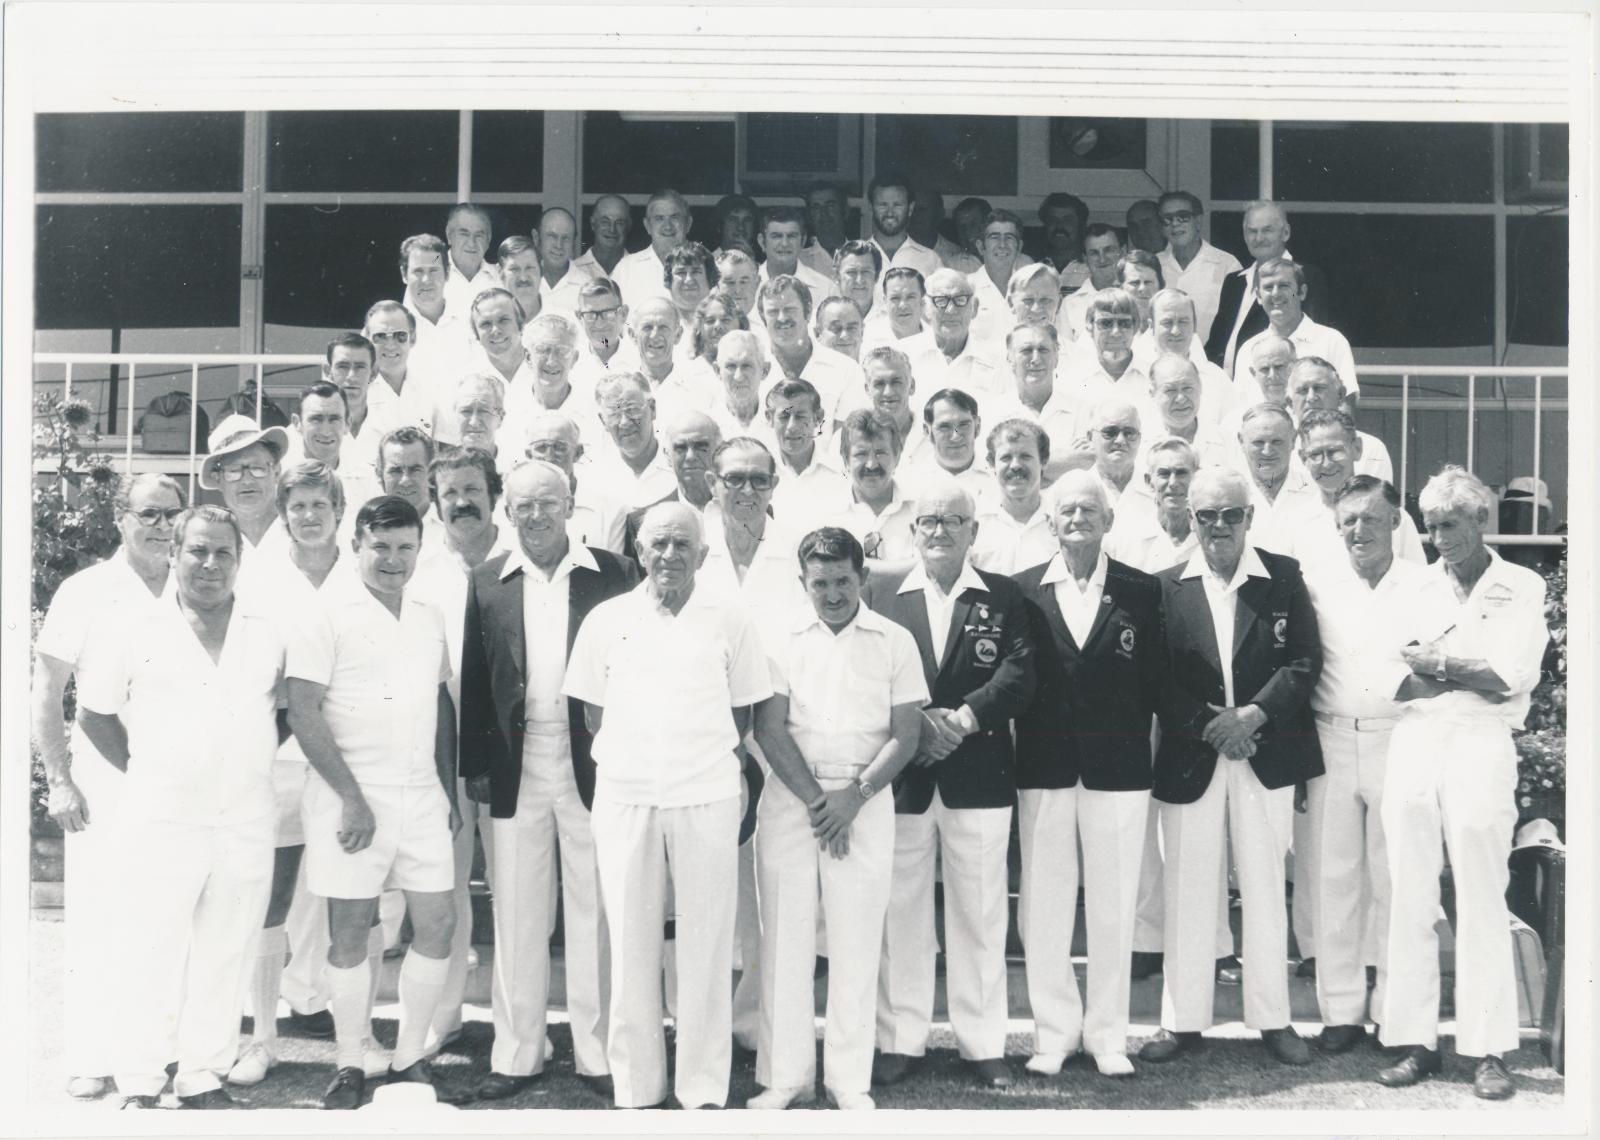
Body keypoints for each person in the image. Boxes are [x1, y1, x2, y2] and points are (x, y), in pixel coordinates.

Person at [563, 501, 774, 1109]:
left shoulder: (729, 618)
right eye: (657, 543)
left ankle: (702, 1088)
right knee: (631, 945)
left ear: (703, 555)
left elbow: (742, 712)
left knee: (707, 946)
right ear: (638, 551)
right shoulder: (606, 619)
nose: (669, 556)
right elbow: (592, 711)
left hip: (706, 795)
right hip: (626, 797)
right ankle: (637, 1086)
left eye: (683, 544)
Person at [78, 505, 287, 1110]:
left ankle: (201, 1074)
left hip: (245, 818)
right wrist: (150, 770)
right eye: (197, 550)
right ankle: (141, 1081)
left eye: (223, 552)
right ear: (174, 553)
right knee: (151, 947)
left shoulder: (264, 630)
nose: (210, 564)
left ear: (239, 561)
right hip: (162, 818)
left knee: (228, 950)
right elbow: (94, 713)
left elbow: (280, 715)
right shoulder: (135, 628)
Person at [457, 459, 638, 1101]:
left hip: (593, 761)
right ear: (508, 511)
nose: (536, 516)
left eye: (548, 503)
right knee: (518, 909)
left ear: (571, 506)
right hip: (518, 761)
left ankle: (597, 1055)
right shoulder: (487, 581)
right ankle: (516, 1054)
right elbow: (476, 677)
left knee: (594, 910)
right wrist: (476, 765)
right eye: (523, 505)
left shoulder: (613, 574)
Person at [1138, 466, 1323, 1068]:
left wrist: (1255, 716)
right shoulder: (1163, 587)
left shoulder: (1284, 576)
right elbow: (1156, 679)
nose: (1219, 526)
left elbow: (1303, 661)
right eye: (1206, 515)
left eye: (1231, 514)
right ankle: (1182, 1020)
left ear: (1249, 517)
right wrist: (1210, 724)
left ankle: (1274, 1019)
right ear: (1188, 519)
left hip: (1264, 754)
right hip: (1195, 755)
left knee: (1266, 887)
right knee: (1189, 888)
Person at [285, 496, 465, 1109]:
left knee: (438, 922)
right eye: (380, 547)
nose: (393, 560)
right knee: (351, 932)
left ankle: (411, 1054)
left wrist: (446, 787)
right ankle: (349, 1062)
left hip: (421, 795)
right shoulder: (324, 613)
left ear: (420, 548)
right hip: (350, 796)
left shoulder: (429, 612)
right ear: (357, 543)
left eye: (405, 548)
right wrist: (352, 799)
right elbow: (302, 712)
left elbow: (440, 706)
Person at [1376, 466, 1550, 1100]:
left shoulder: (1520, 585)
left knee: (1482, 892)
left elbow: (1510, 674)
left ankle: (1489, 1049)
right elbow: (1390, 678)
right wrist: (1463, 671)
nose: (1439, 537)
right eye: (1430, 527)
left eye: (1450, 524)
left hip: (1482, 741)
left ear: (1482, 519)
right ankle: (1414, 1041)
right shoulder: (1412, 586)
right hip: (1416, 738)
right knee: (1410, 893)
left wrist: (1441, 663)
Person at [749, 528, 928, 1111]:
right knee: (787, 938)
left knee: (855, 942)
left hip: (866, 798)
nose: (831, 594)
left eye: (843, 581)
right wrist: (817, 802)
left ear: (863, 578)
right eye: (819, 583)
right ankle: (785, 1078)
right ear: (803, 582)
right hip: (792, 799)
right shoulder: (777, 636)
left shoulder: (894, 640)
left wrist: (855, 795)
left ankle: (849, 1080)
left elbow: (907, 734)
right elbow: (769, 729)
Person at [865, 479, 1035, 1091]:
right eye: (929, 521)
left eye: (952, 521)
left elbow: (1020, 674)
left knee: (981, 914)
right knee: (902, 912)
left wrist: (960, 720)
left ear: (973, 531)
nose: (939, 531)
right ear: (912, 532)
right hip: (903, 778)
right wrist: (916, 729)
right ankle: (901, 1040)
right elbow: (866, 672)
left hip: (979, 773)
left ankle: (984, 1043)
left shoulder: (1005, 595)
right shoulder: (882, 593)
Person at [31, 473, 184, 1100]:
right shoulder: (85, 590)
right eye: (148, 513)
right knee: (99, 914)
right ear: (120, 518)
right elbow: (47, 693)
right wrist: (60, 782)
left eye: (171, 514)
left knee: (171, 916)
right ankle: (92, 1053)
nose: (160, 526)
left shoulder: (196, 584)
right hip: (102, 776)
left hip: (178, 780)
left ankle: (161, 1052)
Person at [1012, 470, 1165, 1077]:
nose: (1078, 519)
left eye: (1089, 510)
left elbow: (1157, 682)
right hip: (1045, 770)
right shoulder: (1023, 592)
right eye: (1066, 511)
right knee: (1044, 907)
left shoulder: (1141, 590)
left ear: (1109, 519)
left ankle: (1107, 1036)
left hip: (1119, 771)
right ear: (1051, 524)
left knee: (1112, 906)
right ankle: (1053, 1035)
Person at [229, 463, 374, 1089]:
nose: (309, 515)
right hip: (281, 757)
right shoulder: (259, 576)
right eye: (298, 505)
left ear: (340, 510)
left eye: (321, 504)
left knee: (352, 902)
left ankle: (356, 1039)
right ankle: (261, 1038)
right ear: (284, 512)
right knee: (273, 898)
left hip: (353, 761)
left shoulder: (364, 570)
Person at [1289, 475, 1431, 1059]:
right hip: (1327, 741)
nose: (1359, 531)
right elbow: (1300, 669)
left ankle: (1394, 1014)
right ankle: (1341, 1012)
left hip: (1399, 739)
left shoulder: (1424, 587)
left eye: (1371, 518)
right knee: (1333, 882)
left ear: (1396, 523)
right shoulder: (1315, 587)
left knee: (1396, 881)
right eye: (1348, 520)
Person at [405, 449, 518, 1053]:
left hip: (509, 750)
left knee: (515, 889)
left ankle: (515, 1028)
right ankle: (439, 1020)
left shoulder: (521, 557)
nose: (462, 502)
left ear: (493, 492)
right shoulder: (420, 570)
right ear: (434, 500)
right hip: (440, 751)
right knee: (444, 888)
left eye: (472, 489)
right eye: (449, 493)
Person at [1203, 201, 1332, 377]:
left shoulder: (1306, 276)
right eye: (1252, 231)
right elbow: (1217, 344)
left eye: (1267, 230)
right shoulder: (1235, 283)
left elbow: (1312, 338)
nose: (1259, 238)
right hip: (1228, 391)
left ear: (1285, 232)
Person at [1289, 409, 1424, 570]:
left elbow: (1418, 583)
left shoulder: (1392, 517)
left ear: (1357, 449)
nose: (1326, 464)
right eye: (1315, 454)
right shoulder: (1294, 524)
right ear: (1303, 458)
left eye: (1335, 451)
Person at [201, 415, 292, 602]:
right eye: (234, 471)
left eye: (257, 468)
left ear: (276, 472)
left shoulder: (301, 532)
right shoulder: (208, 542)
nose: (248, 480)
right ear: (218, 479)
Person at [1238, 259, 1359, 396]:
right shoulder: (1248, 349)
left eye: (1284, 286)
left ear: (1302, 292)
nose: (1276, 293)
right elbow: (1241, 406)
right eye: (1268, 287)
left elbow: (1346, 403)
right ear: (1259, 296)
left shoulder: (1331, 341)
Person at [758, 274, 861, 427]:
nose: (782, 318)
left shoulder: (846, 370)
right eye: (773, 312)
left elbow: (847, 438)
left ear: (807, 313)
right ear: (763, 318)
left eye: (790, 309)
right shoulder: (751, 369)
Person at [619, 410, 722, 560]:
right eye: (680, 448)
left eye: (701, 446)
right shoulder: (641, 523)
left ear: (719, 451)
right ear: (667, 456)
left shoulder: (750, 510)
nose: (691, 456)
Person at [829, 408, 921, 575]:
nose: (871, 464)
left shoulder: (920, 511)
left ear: (897, 456)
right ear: (845, 459)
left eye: (880, 453)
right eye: (861, 454)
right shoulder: (826, 516)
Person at [522, 410, 627, 554]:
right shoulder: (515, 510)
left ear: (578, 453)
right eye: (541, 448)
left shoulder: (609, 512)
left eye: (559, 447)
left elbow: (613, 572)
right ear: (529, 455)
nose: (549, 457)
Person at [984, 323, 1078, 471]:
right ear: (1010, 359)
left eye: (1043, 350)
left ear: (1056, 357)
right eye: (1026, 350)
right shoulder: (992, 412)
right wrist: (1065, 461)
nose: (1035, 359)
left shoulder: (1081, 411)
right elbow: (991, 470)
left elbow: (1086, 464)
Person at [766, 378, 852, 536]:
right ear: (769, 418)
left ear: (818, 418)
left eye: (801, 416)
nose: (792, 427)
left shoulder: (841, 477)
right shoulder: (758, 475)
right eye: (784, 417)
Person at [969, 418, 1055, 575]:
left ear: (1044, 461)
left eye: (1025, 456)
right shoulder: (974, 523)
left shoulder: (1061, 522)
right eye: (1006, 457)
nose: (1015, 465)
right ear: (991, 463)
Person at [1154, 192, 1243, 340]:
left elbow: (1238, 319)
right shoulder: (1154, 265)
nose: (1175, 223)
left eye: (1183, 216)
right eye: (1167, 219)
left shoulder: (1227, 264)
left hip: (1211, 358)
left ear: (1198, 221)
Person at [1235, 402, 1319, 555]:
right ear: (1241, 441)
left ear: (1293, 440)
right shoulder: (1228, 493)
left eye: (1277, 442)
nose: (1267, 452)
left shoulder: (1317, 491)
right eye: (1258, 442)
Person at [911, 267, 1005, 402]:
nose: (951, 310)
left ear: (974, 308)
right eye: (941, 300)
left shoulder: (995, 362)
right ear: (926, 308)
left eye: (960, 300)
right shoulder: (906, 355)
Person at [587, 371, 678, 509]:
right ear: (603, 421)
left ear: (652, 408)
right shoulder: (595, 480)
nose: (624, 422)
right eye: (614, 414)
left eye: (633, 410)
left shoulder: (678, 467)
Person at [1286, 356, 1388, 478]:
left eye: (1319, 388)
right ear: (1290, 403)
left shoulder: (1371, 448)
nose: (1311, 397)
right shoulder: (1279, 448)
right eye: (1302, 390)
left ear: (1340, 395)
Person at [623, 297, 717, 426]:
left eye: (663, 327)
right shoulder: (620, 391)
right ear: (633, 335)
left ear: (678, 335)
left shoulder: (700, 395)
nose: (655, 335)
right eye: (647, 327)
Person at [900, 387, 990, 503]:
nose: (956, 436)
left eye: (963, 425)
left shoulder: (999, 480)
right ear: (927, 431)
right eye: (944, 427)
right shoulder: (906, 485)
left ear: (977, 427)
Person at [363, 300, 437, 437]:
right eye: (380, 336)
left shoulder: (431, 390)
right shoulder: (358, 391)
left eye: (400, 336)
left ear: (413, 338)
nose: (390, 345)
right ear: (368, 340)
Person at [611, 188, 691, 307]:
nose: (668, 226)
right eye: (659, 218)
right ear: (647, 225)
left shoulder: (706, 266)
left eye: (674, 217)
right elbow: (614, 319)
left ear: (688, 224)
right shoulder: (626, 269)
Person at [400, 233, 472, 359]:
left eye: (433, 270)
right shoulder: (390, 327)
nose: (426, 279)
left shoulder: (470, 319)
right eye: (418, 271)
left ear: (447, 273)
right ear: (404, 275)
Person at [521, 311, 596, 433]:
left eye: (562, 351)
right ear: (528, 357)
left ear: (574, 358)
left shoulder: (593, 414)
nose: (551, 361)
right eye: (543, 350)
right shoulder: (510, 413)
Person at [967, 210, 1030, 343]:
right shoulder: (965, 288)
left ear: (1019, 247)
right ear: (980, 247)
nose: (1002, 244)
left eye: (1009, 237)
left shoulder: (1030, 289)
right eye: (994, 237)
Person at [1059, 224, 1126, 347]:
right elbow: (1064, 351)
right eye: (1094, 253)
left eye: (1108, 250)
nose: (1102, 259)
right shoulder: (1070, 304)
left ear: (1122, 252)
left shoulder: (1136, 296)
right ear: (1085, 258)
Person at [866, 172, 940, 281]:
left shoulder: (930, 260)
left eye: (897, 205)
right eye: (883, 205)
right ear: (871, 207)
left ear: (910, 208)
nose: (890, 213)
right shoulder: (856, 257)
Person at [758, 205, 835, 301]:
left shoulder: (826, 290)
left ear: (803, 241)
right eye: (776, 236)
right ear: (761, 242)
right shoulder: (747, 285)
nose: (785, 243)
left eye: (791, 236)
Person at [537, 207, 598, 314]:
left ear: (574, 243)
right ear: (536, 237)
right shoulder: (524, 281)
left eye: (566, 238)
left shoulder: (588, 287)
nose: (558, 245)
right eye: (552, 236)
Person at [441, 203, 499, 315]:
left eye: (479, 235)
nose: (472, 243)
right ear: (449, 235)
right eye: (464, 234)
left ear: (489, 239)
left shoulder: (501, 278)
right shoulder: (429, 275)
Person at [571, 277, 631, 383]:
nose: (599, 324)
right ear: (579, 317)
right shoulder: (570, 364)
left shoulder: (640, 361)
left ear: (623, 314)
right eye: (590, 315)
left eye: (608, 313)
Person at [861, 264, 929, 354]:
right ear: (885, 301)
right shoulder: (866, 339)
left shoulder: (936, 340)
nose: (903, 305)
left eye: (910, 297)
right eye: (895, 298)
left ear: (922, 301)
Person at [1035, 191, 1091, 289]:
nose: (1059, 226)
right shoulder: (1034, 267)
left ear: (1080, 225)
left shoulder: (1092, 268)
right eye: (1053, 220)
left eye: (1067, 220)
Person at [573, 194, 632, 280]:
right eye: (605, 222)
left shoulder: (640, 270)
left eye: (619, 223)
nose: (612, 229)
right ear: (593, 224)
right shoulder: (574, 270)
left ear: (628, 226)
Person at [663, 241, 720, 328]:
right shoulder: (658, 323)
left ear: (710, 278)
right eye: (681, 272)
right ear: (669, 280)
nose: (689, 280)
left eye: (696, 272)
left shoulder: (723, 323)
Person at [802, 182, 849, 275]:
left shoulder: (862, 256)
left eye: (831, 206)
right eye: (816, 208)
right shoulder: (799, 261)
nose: (824, 213)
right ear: (809, 216)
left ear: (845, 210)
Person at [497, 234, 544, 327]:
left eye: (529, 268)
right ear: (500, 273)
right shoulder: (488, 323)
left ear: (541, 269)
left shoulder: (565, 320)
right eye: (514, 269)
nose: (523, 278)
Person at [813, 295, 865, 363]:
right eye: (836, 328)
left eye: (851, 328)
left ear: (862, 332)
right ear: (818, 334)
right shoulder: (808, 372)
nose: (844, 336)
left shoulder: (876, 370)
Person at [712, 249, 761, 319]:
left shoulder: (767, 326)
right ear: (716, 285)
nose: (737, 290)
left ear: (756, 283)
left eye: (743, 282)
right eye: (730, 282)